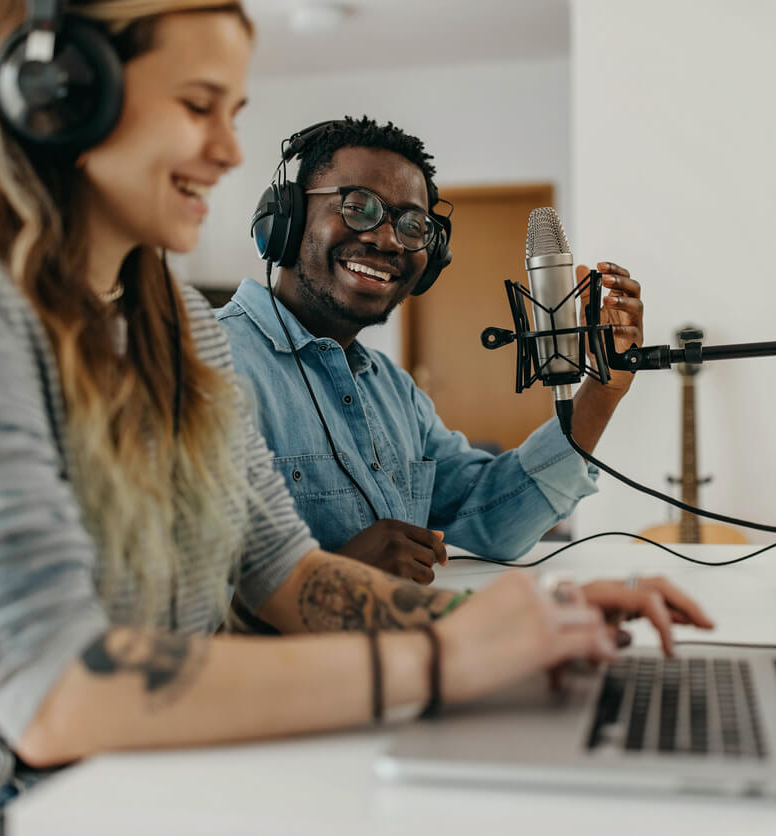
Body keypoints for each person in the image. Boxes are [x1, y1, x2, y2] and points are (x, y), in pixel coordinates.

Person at [0, 2, 711, 832]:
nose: (231, 152)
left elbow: (283, 569)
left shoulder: (173, 319)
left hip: (125, 784)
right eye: (199, 105)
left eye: (232, 114)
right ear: (61, 96)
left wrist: (537, 618)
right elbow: (54, 694)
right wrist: (445, 659)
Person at [218, 116, 644, 583]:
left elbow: (496, 519)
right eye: (357, 207)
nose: (386, 239)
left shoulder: (392, 391)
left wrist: (604, 390)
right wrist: (334, 574)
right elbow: (162, 598)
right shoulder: (208, 364)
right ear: (289, 218)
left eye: (412, 224)